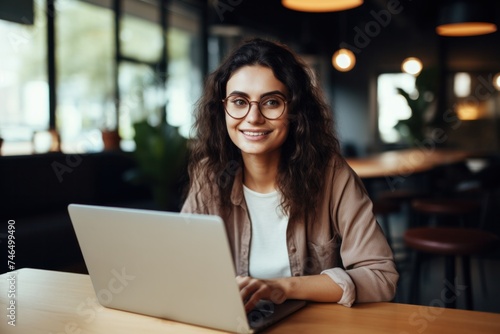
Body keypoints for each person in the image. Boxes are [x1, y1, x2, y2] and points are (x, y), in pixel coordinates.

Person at [181, 38, 398, 312]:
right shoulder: (209, 176)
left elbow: (381, 277)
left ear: (295, 111)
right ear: (222, 108)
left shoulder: (331, 175)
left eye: (271, 102)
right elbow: (182, 268)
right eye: (239, 101)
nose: (253, 117)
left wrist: (281, 288)